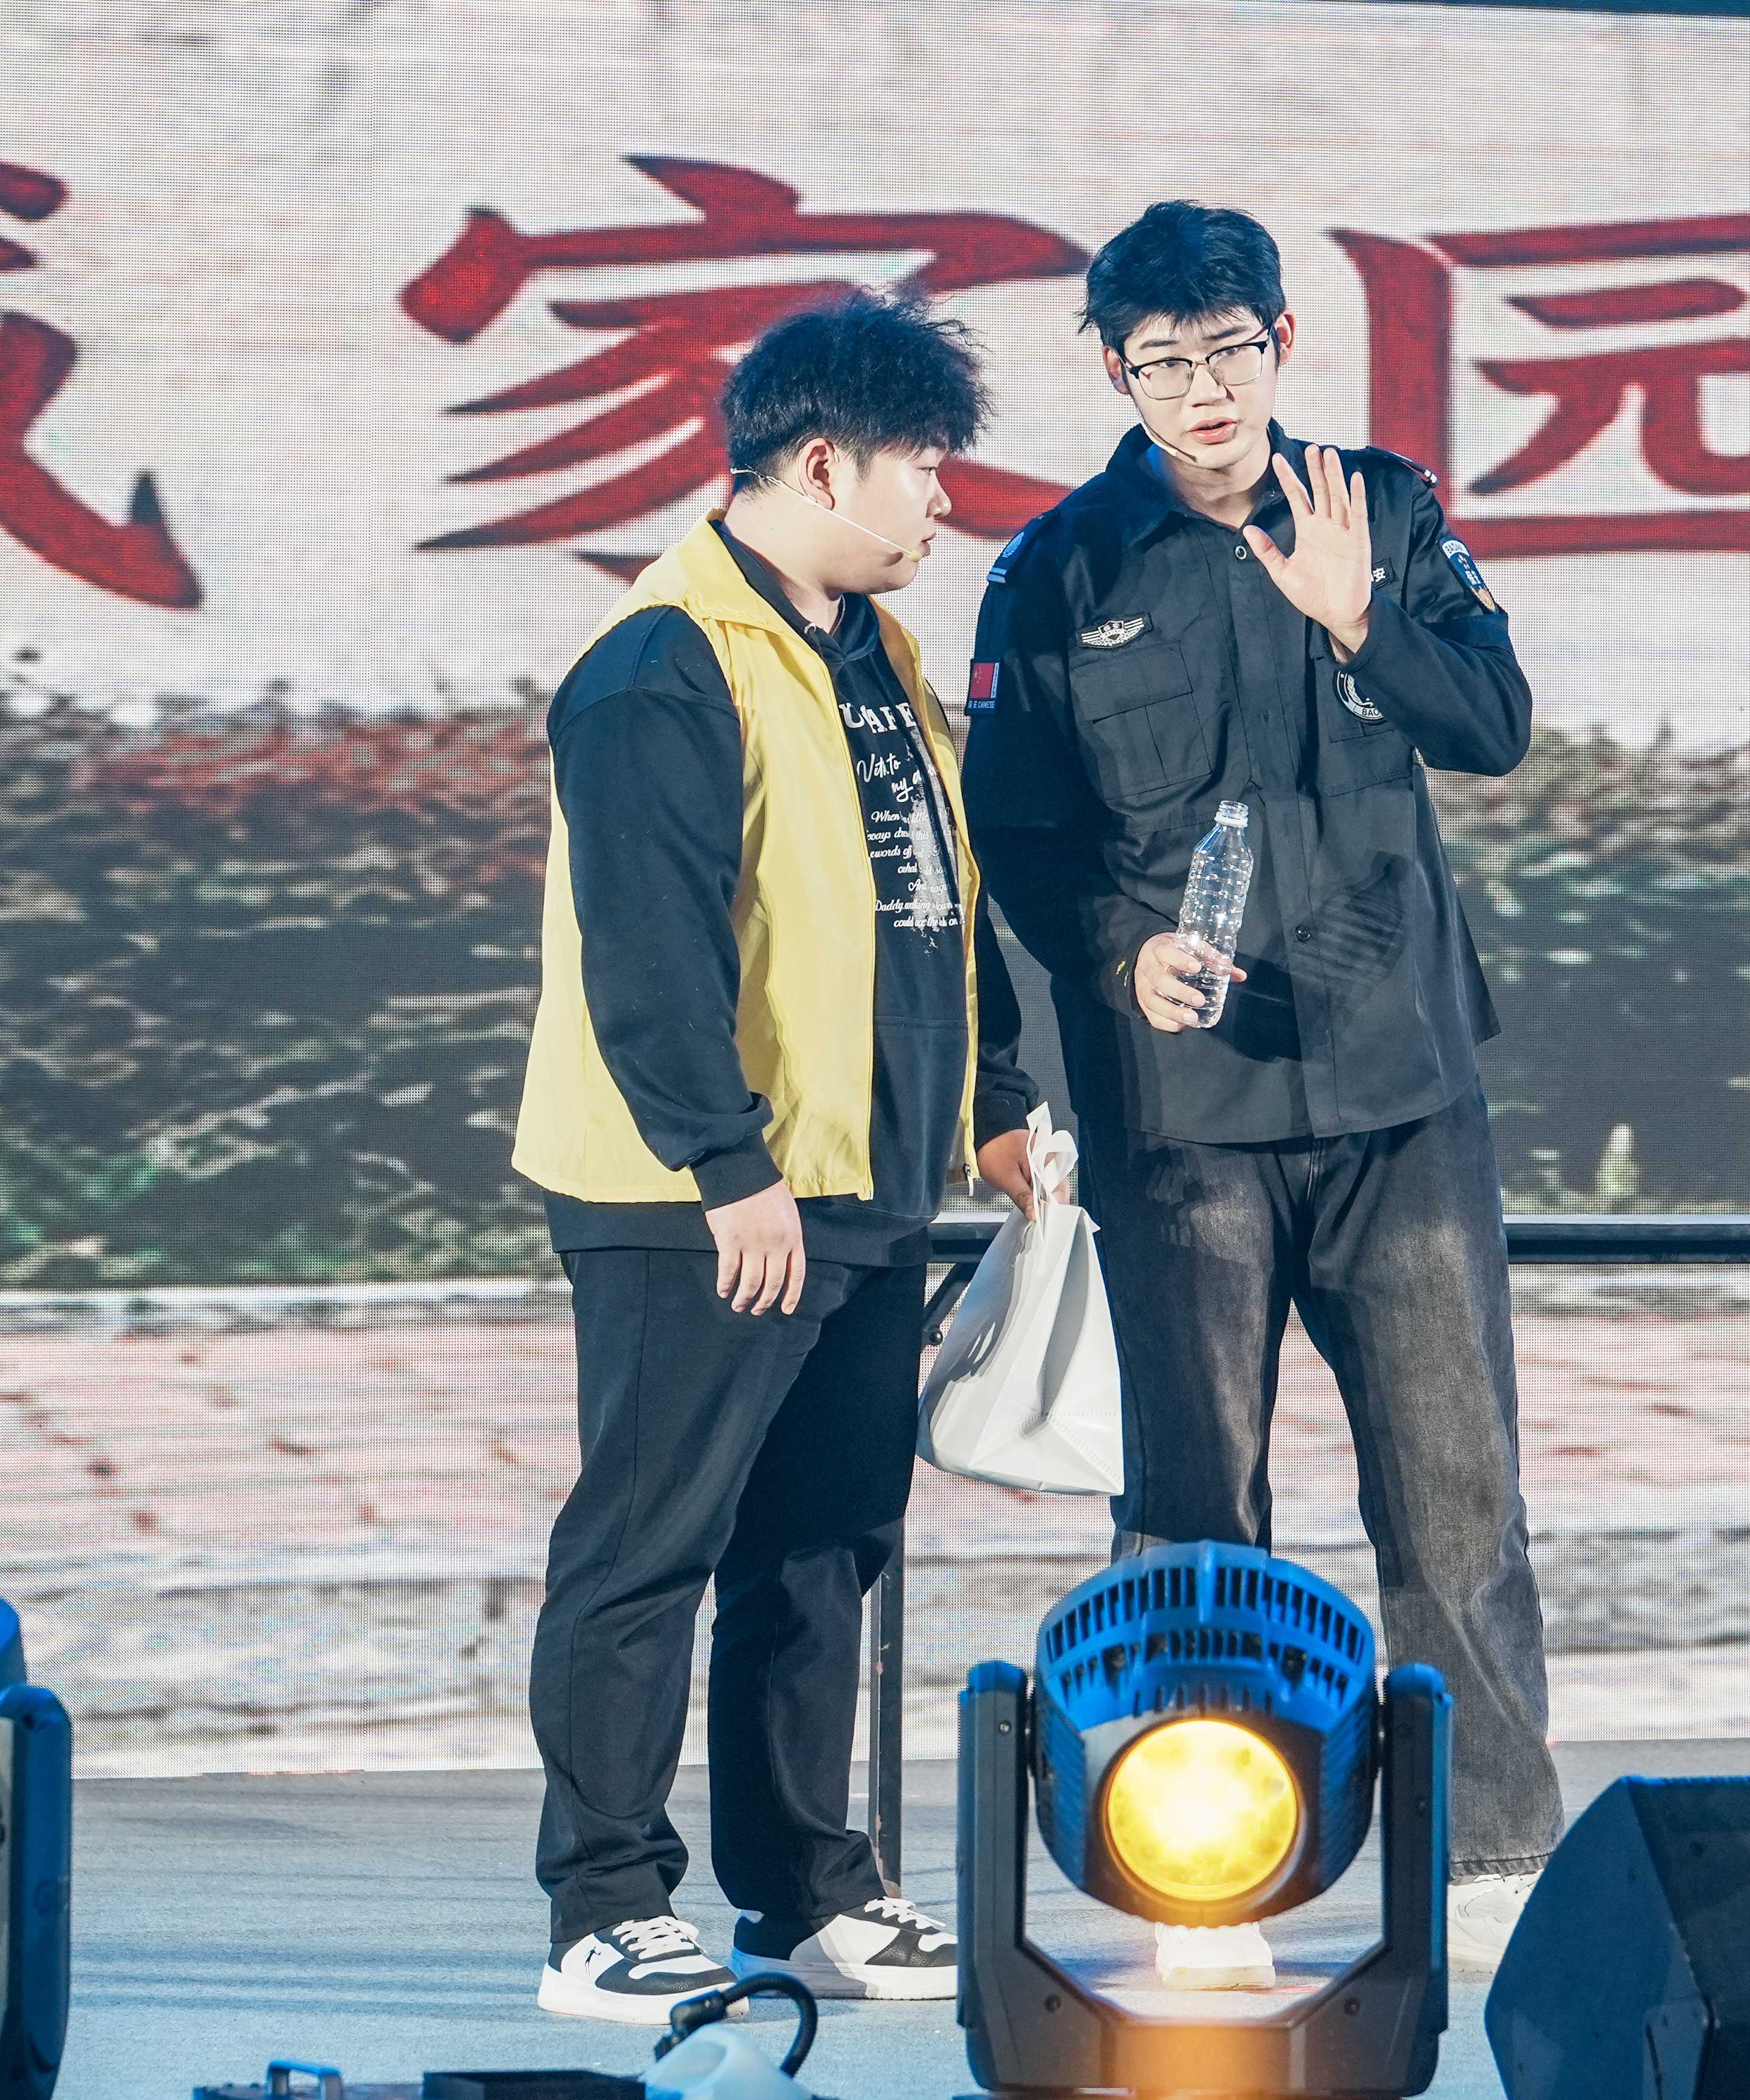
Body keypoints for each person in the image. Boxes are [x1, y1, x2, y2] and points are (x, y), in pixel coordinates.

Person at [959, 200, 1561, 1980]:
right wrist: (1117, 953)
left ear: (1283, 341)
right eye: (1163, 361)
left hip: (1402, 1100)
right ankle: (1202, 1879)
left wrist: (1362, 617)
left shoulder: (1382, 509)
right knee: (1193, 1505)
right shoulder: (1057, 570)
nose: (1203, 389)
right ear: (1117, 372)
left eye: (1230, 349)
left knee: (1456, 1499)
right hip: (1182, 1116)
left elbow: (1494, 726)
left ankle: (1495, 1862)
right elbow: (1018, 839)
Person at [514, 288, 1041, 2020]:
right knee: (647, 1546)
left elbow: (938, 902)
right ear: (825, 464)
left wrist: (991, 1101)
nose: (944, 499)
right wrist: (725, 1167)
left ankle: (806, 1892)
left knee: (823, 1545)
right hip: (702, 1200)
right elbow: (648, 949)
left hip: (867, 1182)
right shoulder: (662, 663)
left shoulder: (876, 654)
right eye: (923, 466)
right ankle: (602, 1909)